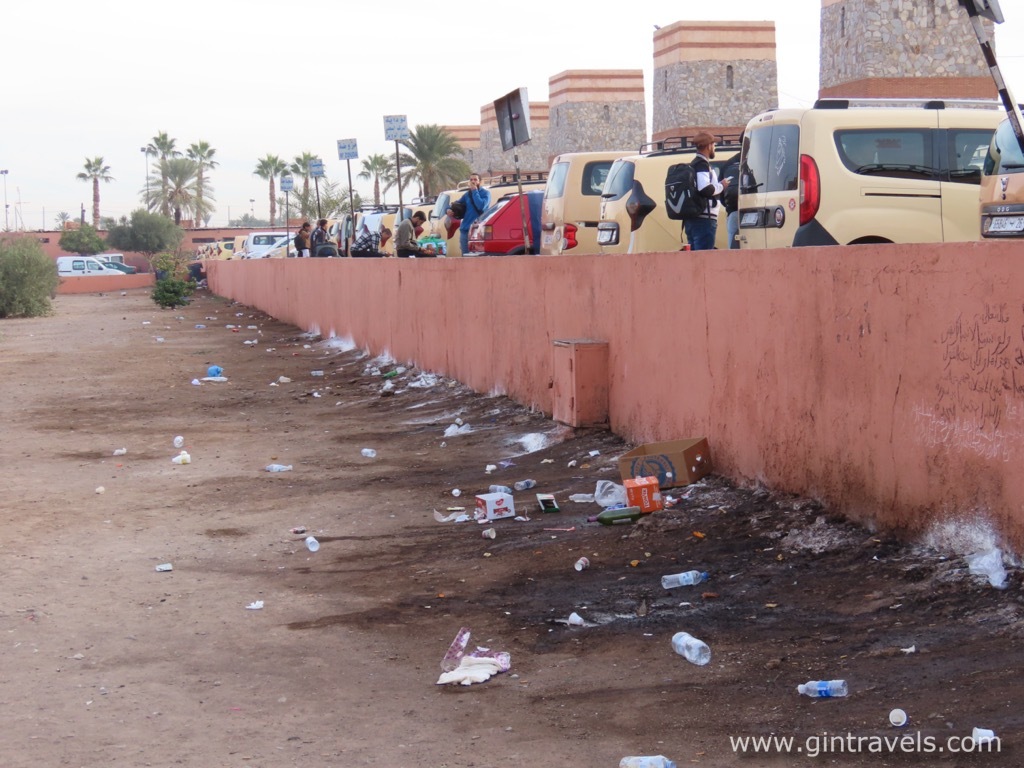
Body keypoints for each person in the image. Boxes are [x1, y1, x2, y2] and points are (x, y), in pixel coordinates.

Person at [684, 132, 731, 251]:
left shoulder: (694, 164)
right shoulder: (701, 164)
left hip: (694, 219)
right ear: (708, 146)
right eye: (714, 144)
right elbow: (704, 188)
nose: (715, 147)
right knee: (703, 258)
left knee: (695, 258)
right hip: (704, 220)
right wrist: (721, 186)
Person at [448, 173, 491, 256]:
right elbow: (456, 203)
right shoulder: (467, 195)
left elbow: (481, 206)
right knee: (465, 255)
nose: (473, 181)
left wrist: (475, 191)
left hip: (478, 230)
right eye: (471, 180)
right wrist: (448, 209)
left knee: (477, 256)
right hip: (465, 230)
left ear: (480, 182)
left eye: (475, 179)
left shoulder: (486, 194)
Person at [721, 150, 741, 250]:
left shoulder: (728, 163)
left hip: (733, 211)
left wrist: (729, 206)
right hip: (756, 211)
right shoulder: (756, 160)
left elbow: (721, 192)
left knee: (733, 252)